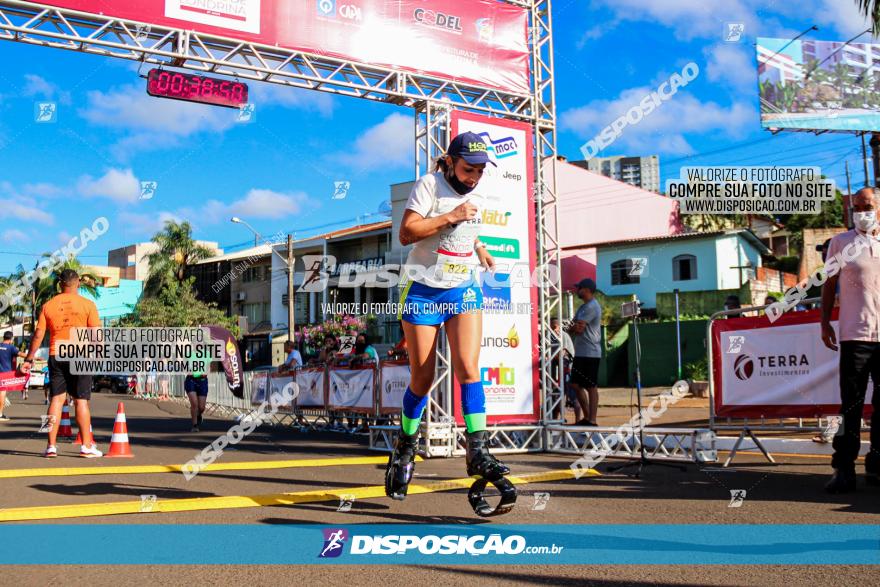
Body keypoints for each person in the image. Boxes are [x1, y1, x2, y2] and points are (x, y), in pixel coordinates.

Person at [385, 131, 510, 500]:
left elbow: (468, 230)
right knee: (423, 377)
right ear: (451, 162)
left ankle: (477, 449)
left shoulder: (480, 191)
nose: (474, 177)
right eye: (469, 169)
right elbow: (407, 233)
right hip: (422, 289)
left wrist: (481, 249)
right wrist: (450, 215)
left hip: (461, 287)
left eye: (481, 171)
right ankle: (406, 443)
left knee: (469, 367)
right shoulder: (429, 185)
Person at [820, 186, 880, 493]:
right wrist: (824, 322)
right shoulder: (840, 243)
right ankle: (844, 469)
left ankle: (878, 463)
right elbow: (829, 285)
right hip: (855, 335)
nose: (862, 213)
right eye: (856, 208)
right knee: (851, 406)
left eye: (867, 206)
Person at [21, 270, 102, 458]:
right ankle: (86, 446)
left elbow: (39, 335)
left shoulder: (48, 305)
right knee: (81, 401)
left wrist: (29, 359)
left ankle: (50, 446)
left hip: (56, 354)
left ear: (60, 284)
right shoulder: (88, 305)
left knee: (56, 399)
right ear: (78, 284)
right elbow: (96, 336)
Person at [569, 278, 602, 427]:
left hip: (590, 352)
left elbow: (578, 328)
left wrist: (574, 327)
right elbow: (572, 327)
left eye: (579, 288)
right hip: (580, 351)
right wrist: (573, 327)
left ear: (587, 290)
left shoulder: (592, 307)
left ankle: (592, 419)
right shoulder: (582, 307)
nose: (577, 290)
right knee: (575, 384)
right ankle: (588, 417)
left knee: (590, 386)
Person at [549, 317, 576, 422]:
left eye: (554, 327)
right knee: (555, 395)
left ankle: (578, 421)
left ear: (559, 326)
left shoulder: (563, 336)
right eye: (551, 328)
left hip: (567, 370)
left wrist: (550, 357)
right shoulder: (550, 337)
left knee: (572, 396)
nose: (553, 330)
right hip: (555, 371)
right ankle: (556, 418)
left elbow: (562, 353)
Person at [0, 331, 20, 420]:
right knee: (2, 392)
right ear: (11, 339)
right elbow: (20, 354)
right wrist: (32, 357)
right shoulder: (11, 347)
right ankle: (0, 414)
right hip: (5, 374)